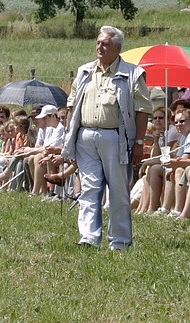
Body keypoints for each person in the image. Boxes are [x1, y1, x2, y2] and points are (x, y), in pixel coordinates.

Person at [62, 26, 151, 250]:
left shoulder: (133, 74)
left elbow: (142, 110)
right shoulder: (84, 71)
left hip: (116, 137)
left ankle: (120, 241)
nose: (99, 47)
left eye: (105, 44)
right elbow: (72, 106)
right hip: (86, 137)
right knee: (90, 189)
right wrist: (70, 139)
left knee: (119, 191)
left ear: (118, 48)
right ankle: (89, 238)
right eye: (98, 43)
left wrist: (139, 143)